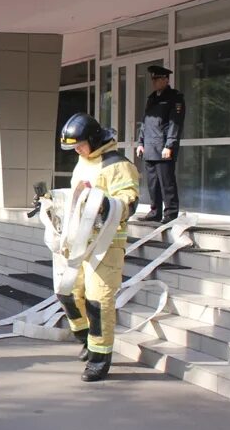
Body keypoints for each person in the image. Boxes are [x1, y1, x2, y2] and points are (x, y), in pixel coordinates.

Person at [58, 113, 140, 381]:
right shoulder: (84, 161)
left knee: (98, 301)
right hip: (79, 242)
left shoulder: (118, 165)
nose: (77, 151)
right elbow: (75, 197)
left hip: (106, 246)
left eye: (80, 145)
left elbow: (128, 202)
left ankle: (99, 358)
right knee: (68, 293)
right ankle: (86, 339)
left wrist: (107, 205)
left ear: (93, 139)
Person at [136, 65, 185, 222]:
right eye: (153, 79)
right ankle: (154, 211)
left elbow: (175, 123)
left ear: (165, 79)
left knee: (166, 182)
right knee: (153, 183)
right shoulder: (152, 98)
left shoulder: (174, 97)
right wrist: (140, 142)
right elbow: (145, 122)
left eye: (157, 79)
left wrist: (169, 145)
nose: (154, 82)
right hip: (150, 146)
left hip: (163, 147)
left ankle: (170, 213)